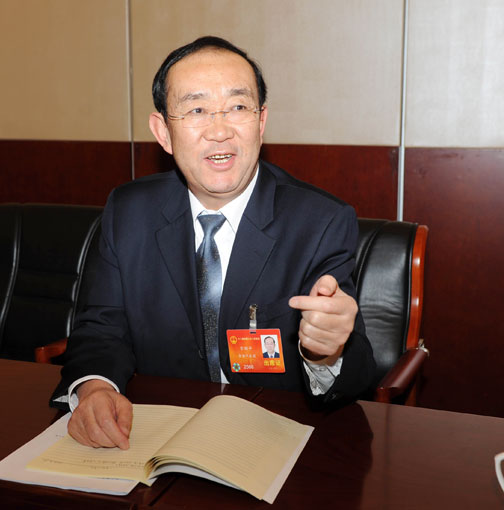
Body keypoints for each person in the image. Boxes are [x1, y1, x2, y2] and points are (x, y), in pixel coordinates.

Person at [51, 36, 375, 449]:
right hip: (157, 437)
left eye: (238, 107)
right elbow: (101, 328)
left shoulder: (320, 222)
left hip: (274, 441)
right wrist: (95, 388)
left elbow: (359, 375)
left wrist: (326, 352)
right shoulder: (129, 211)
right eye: (197, 110)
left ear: (261, 122)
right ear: (163, 132)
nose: (220, 131)